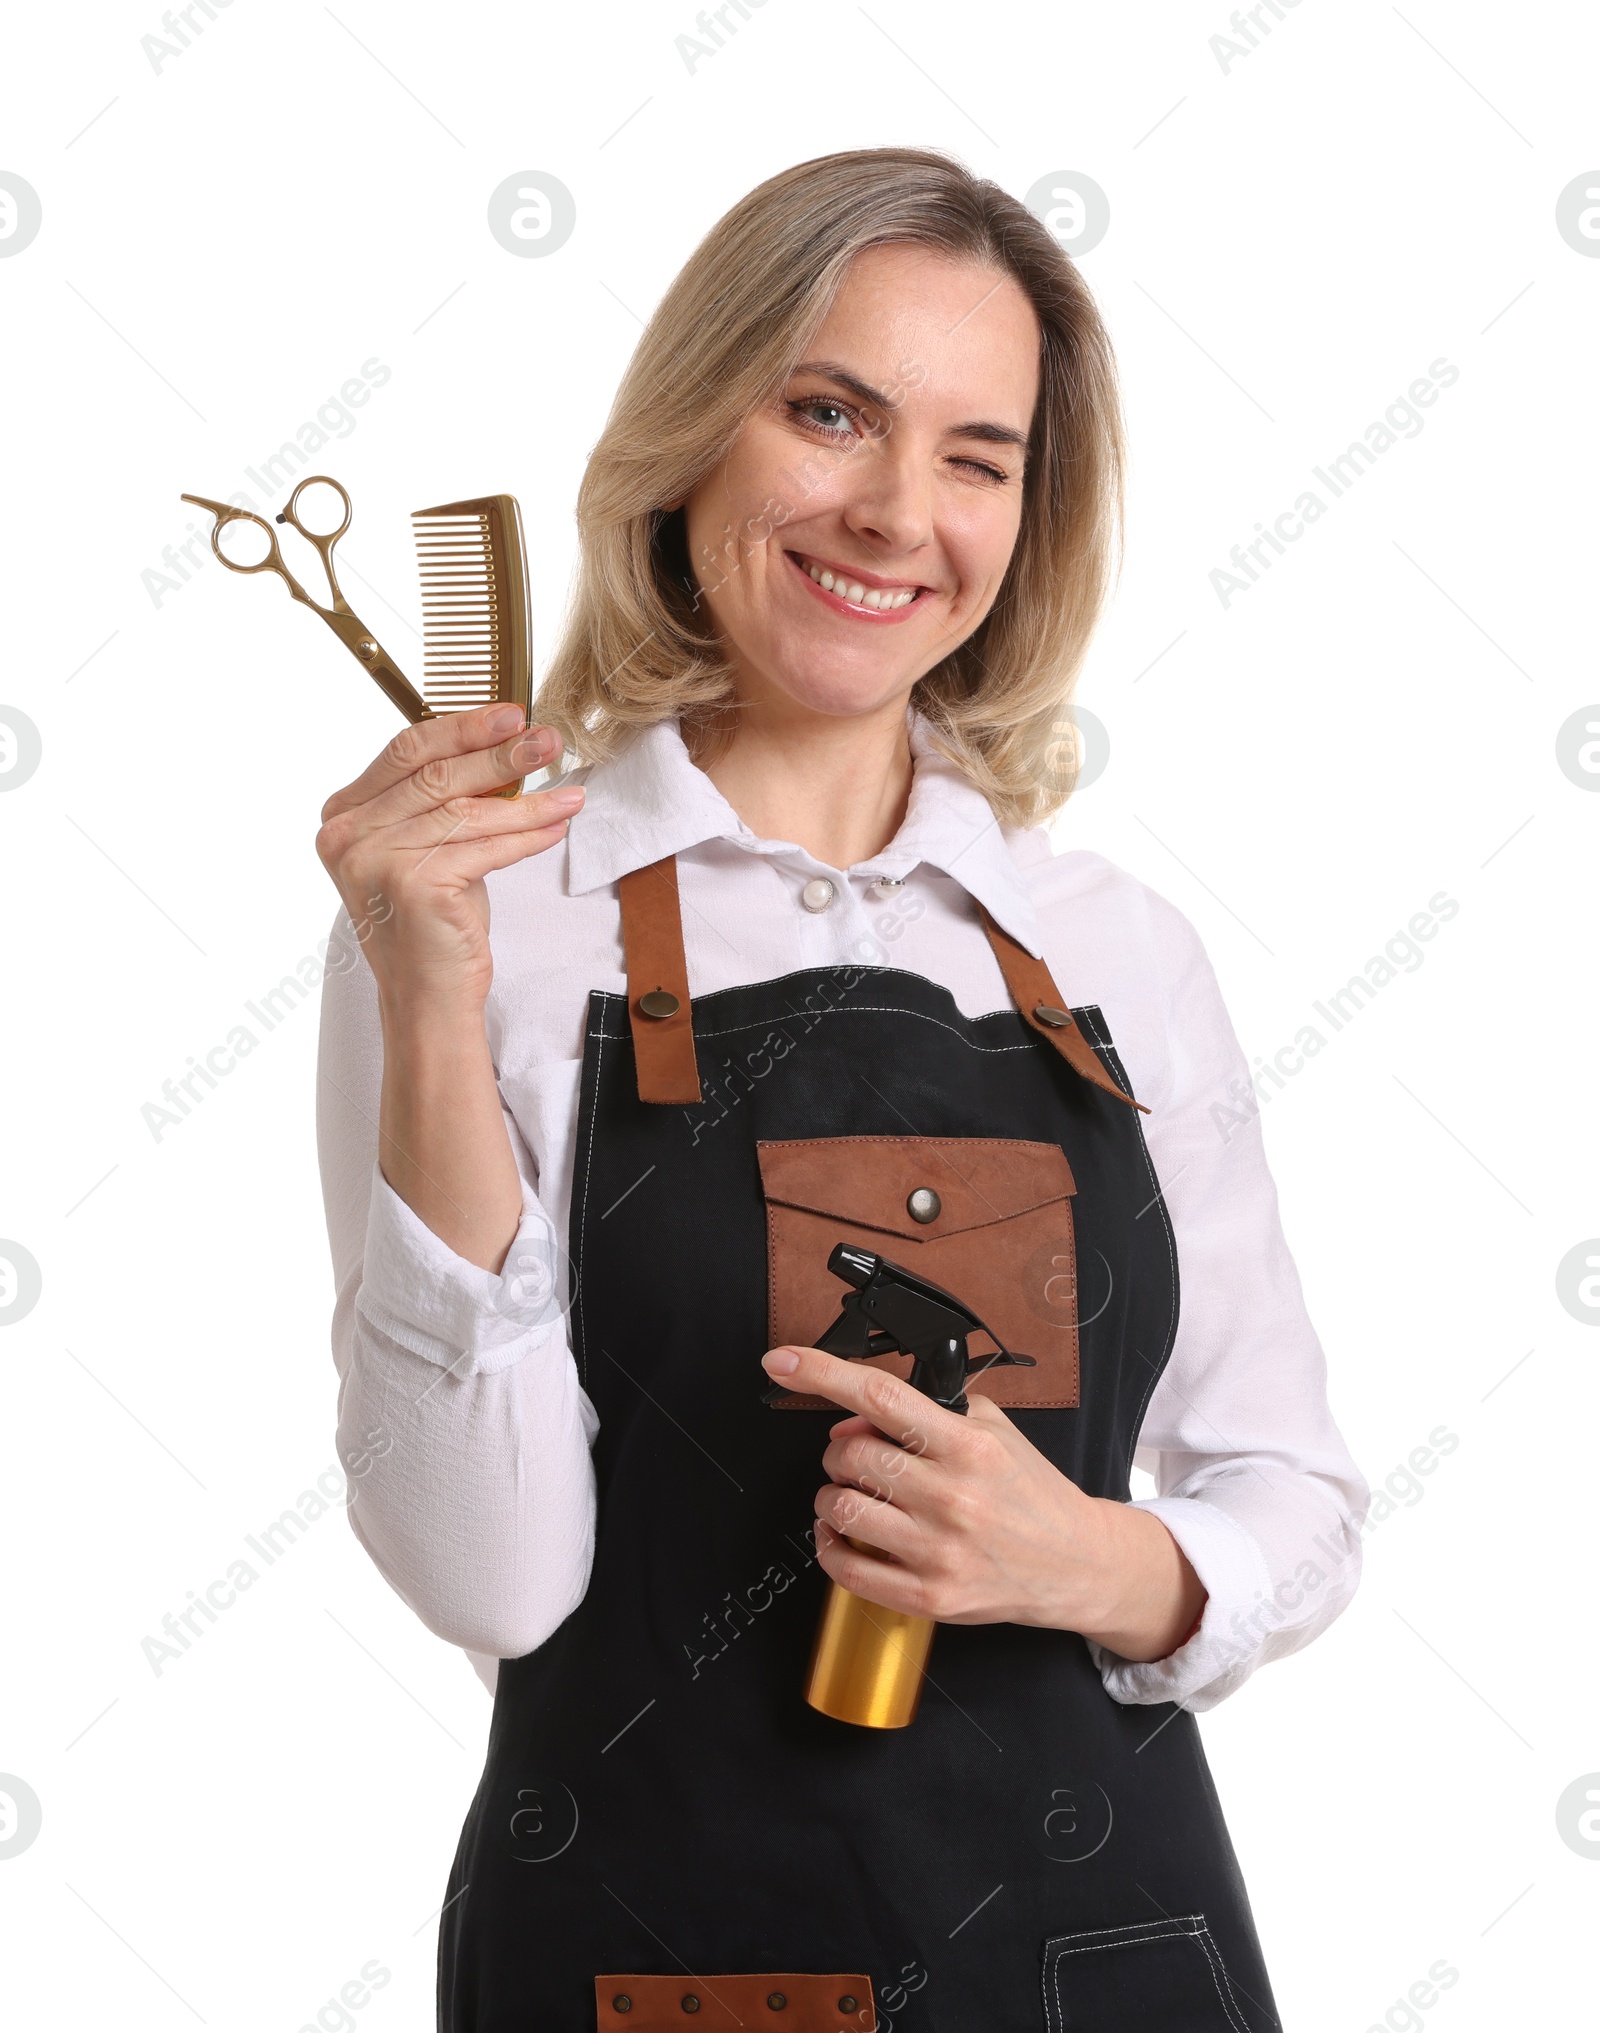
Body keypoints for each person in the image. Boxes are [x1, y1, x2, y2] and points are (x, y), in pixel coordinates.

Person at [315, 147, 1367, 2033]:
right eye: (830, 413)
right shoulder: (487, 924)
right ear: (694, 435)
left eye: (978, 454)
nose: (898, 514)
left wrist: (1093, 1557)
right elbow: (491, 1575)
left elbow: (1292, 1495)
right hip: (661, 1976)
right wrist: (425, 991)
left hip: (1104, 1967)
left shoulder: (1115, 952)